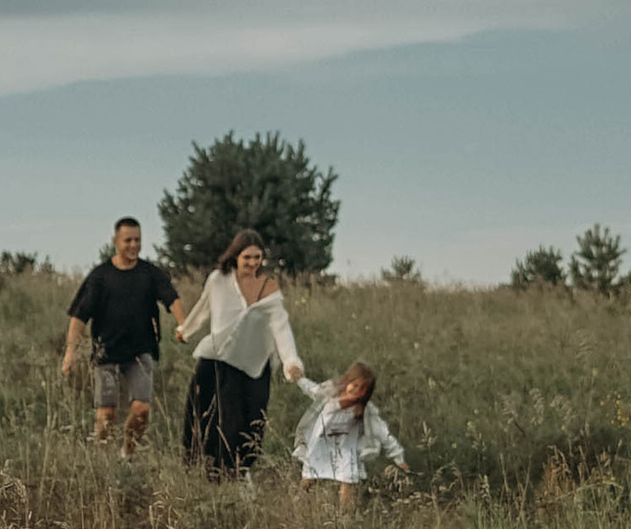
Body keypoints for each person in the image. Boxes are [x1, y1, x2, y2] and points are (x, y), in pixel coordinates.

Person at [175, 227, 306, 474]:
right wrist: (186, 330)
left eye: (257, 257)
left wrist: (291, 362)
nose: (253, 263)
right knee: (213, 417)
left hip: (254, 365)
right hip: (218, 360)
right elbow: (203, 308)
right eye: (247, 257)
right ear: (235, 256)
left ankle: (240, 472)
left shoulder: (268, 287)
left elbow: (281, 326)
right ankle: (213, 473)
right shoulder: (218, 280)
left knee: (251, 421)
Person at [62, 218, 183, 452]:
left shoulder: (150, 273)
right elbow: (79, 316)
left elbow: (172, 298)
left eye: (137, 240)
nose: (133, 245)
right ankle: (103, 456)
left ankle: (127, 454)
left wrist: (183, 325)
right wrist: (71, 352)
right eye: (128, 240)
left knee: (142, 409)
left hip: (141, 352)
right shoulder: (100, 276)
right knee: (106, 413)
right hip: (106, 354)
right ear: (116, 241)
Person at [290, 360, 403, 510]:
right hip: (320, 444)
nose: (357, 391)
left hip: (344, 447)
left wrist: (397, 454)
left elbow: (381, 430)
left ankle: (345, 516)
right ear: (348, 380)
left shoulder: (364, 409)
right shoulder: (331, 393)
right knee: (310, 478)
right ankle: (298, 507)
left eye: (363, 389)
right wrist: (299, 378)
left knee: (348, 478)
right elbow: (313, 390)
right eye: (355, 385)